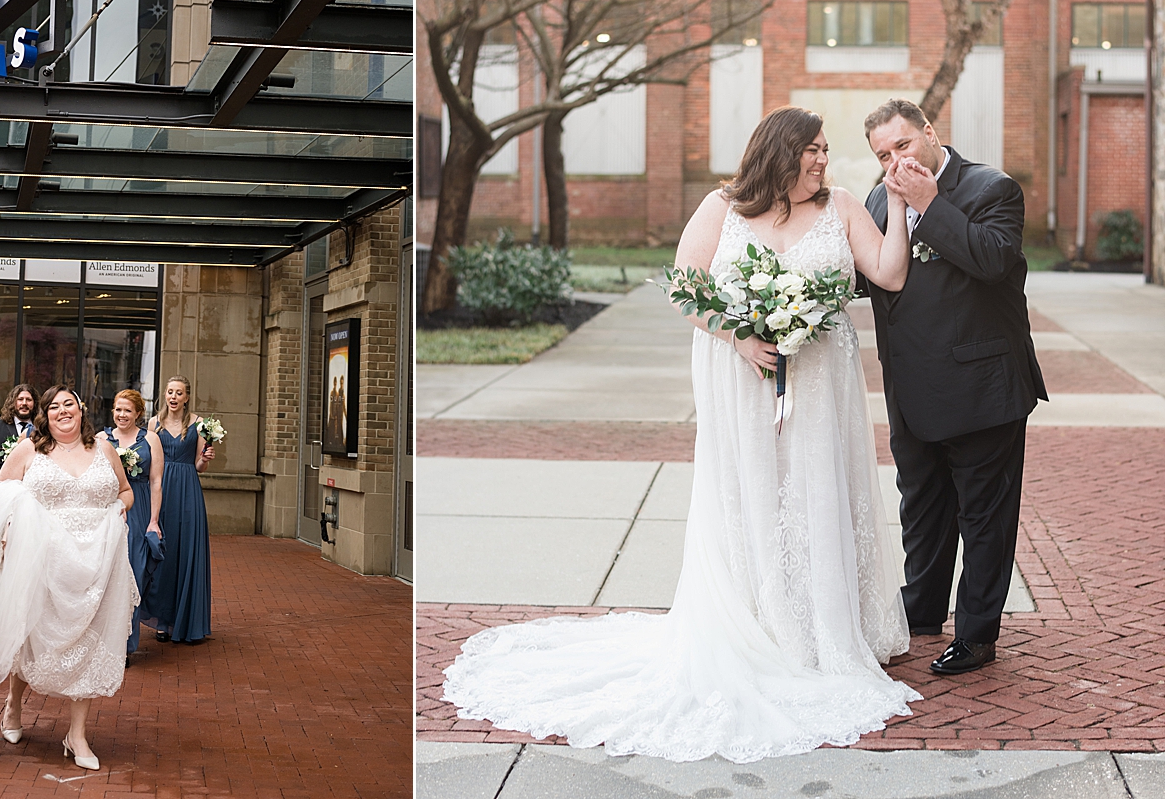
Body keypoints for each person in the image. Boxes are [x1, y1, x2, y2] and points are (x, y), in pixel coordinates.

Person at [444, 106, 919, 763]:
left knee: (815, 491)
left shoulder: (842, 204)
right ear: (776, 153)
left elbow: (890, 273)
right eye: (809, 150)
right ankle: (758, 618)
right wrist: (741, 335)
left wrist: (896, 206)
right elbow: (683, 287)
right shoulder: (722, 207)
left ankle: (824, 624)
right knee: (750, 494)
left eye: (824, 150)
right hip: (741, 376)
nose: (821, 161)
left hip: (820, 380)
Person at [862, 98, 1047, 676]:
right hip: (910, 386)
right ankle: (922, 604)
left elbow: (995, 262)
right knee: (922, 505)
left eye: (903, 145)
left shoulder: (993, 189)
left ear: (930, 133)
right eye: (882, 154)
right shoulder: (876, 198)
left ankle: (976, 634)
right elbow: (872, 276)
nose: (895, 161)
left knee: (983, 517)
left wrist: (930, 204)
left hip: (981, 386)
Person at [0, 385, 137, 771]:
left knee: (90, 641)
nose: (63, 411)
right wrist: (9, 525)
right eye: (55, 407)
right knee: (30, 633)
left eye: (70, 404)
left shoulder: (105, 450)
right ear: (44, 415)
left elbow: (127, 491)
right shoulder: (29, 449)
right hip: (42, 559)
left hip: (98, 561)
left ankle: (76, 734)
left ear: (81, 410)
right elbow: (0, 491)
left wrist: (120, 509)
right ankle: (13, 706)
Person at [145, 376, 214, 644]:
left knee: (187, 553)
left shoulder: (199, 425)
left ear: (186, 397)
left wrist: (206, 458)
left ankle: (187, 620)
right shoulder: (153, 424)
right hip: (161, 489)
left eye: (179, 393)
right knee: (165, 552)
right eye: (170, 392)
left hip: (188, 493)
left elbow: (200, 466)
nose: (173, 397)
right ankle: (162, 620)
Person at [102, 389, 163, 659]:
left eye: (127, 410)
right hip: (108, 510)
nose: (121, 415)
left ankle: (125, 645)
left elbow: (156, 482)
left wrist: (154, 521)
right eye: (118, 409)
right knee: (105, 575)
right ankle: (104, 641)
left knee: (134, 576)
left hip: (138, 512)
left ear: (138, 413)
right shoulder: (101, 439)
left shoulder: (151, 439)